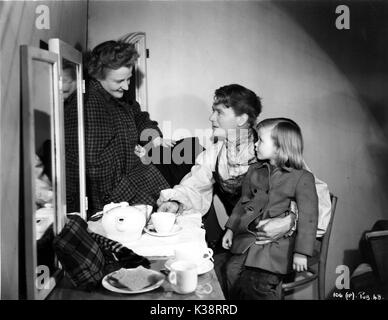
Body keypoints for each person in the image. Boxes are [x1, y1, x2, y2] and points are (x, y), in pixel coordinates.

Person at [156, 84, 331, 295]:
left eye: (219, 112)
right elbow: (194, 186)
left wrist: (290, 222)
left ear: (241, 119)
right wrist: (175, 202)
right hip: (246, 238)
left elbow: (317, 198)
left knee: (247, 284)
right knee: (206, 274)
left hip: (288, 244)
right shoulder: (217, 153)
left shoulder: (271, 149)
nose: (211, 118)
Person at [222, 118, 318, 299]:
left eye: (261, 140)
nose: (256, 144)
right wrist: (230, 228)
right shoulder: (255, 171)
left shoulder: (302, 177)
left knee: (255, 285)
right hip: (249, 241)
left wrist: (301, 252)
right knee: (230, 272)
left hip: (276, 247)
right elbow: (244, 202)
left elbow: (309, 217)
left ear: (280, 147)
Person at [78, 40, 173, 217]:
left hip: (133, 176)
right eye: (120, 80)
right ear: (98, 75)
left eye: (129, 79)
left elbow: (139, 116)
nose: (127, 86)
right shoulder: (93, 106)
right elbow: (103, 183)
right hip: (117, 200)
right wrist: (150, 203)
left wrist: (152, 136)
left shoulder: (114, 93)